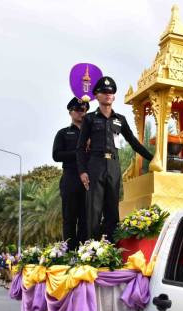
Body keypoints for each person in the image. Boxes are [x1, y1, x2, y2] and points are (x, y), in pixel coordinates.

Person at [76, 76, 153, 241]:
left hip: (113, 165)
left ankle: (111, 248)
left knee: (112, 208)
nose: (108, 95)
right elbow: (80, 148)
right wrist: (82, 171)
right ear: (97, 95)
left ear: (114, 96)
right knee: (94, 209)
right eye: (104, 92)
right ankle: (92, 249)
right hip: (95, 165)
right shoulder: (89, 119)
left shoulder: (120, 120)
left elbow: (134, 142)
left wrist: (153, 158)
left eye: (111, 92)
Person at [53, 97, 89, 249]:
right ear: (71, 112)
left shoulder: (92, 133)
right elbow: (56, 155)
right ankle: (68, 253)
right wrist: (79, 152)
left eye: (85, 110)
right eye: (79, 110)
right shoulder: (63, 133)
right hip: (71, 177)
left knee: (86, 218)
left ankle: (83, 252)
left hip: (89, 179)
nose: (82, 113)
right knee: (69, 218)